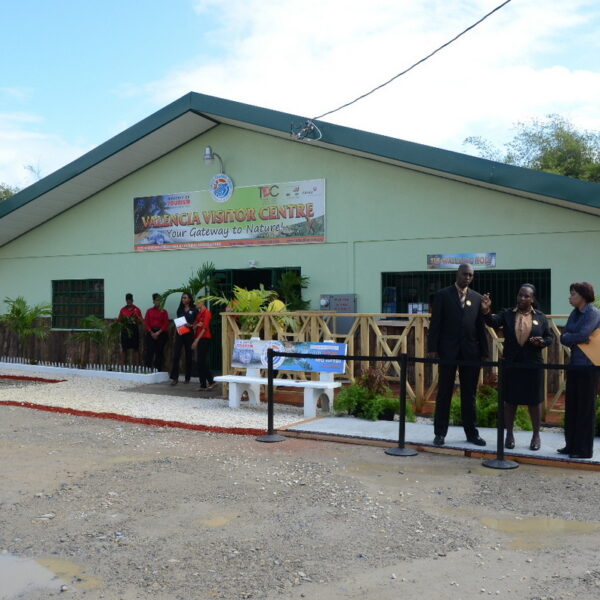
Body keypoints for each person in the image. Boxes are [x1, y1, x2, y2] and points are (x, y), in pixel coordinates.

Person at [481, 284, 553, 451]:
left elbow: (549, 337)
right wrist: (486, 310)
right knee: (510, 401)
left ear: (532, 299)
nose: (522, 298)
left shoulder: (541, 317)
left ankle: (536, 435)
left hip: (532, 364)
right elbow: (492, 322)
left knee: (534, 402)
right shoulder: (507, 314)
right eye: (520, 295)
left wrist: (541, 342)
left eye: (526, 296)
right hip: (511, 364)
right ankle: (509, 434)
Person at [427, 264, 489, 446]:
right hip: (448, 351)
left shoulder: (477, 298)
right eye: (464, 274)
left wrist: (484, 352)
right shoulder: (443, 295)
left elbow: (480, 328)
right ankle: (440, 433)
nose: (467, 278)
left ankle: (472, 433)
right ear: (457, 274)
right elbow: (435, 324)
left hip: (471, 353)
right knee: (444, 392)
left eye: (470, 275)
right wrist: (432, 348)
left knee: (469, 394)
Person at [558, 282, 600, 459]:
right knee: (572, 406)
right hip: (575, 363)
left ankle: (583, 450)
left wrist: (573, 337)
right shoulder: (574, 313)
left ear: (583, 296)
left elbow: (583, 334)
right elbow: (563, 337)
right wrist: (574, 338)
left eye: (573, 294)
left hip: (589, 365)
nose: (570, 297)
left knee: (585, 408)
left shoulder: (593, 313)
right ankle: (570, 445)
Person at [169, 292, 198, 386]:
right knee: (176, 355)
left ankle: (187, 377)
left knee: (189, 355)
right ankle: (174, 378)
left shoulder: (194, 309)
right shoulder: (180, 309)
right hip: (180, 333)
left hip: (189, 334)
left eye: (185, 298)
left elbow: (196, 322)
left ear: (190, 299)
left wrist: (190, 325)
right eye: (182, 298)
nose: (183, 300)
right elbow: (178, 321)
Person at [191, 298, 215, 390]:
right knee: (200, 362)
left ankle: (211, 381)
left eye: (197, 302)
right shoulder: (199, 314)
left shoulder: (207, 313)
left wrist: (196, 340)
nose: (195, 304)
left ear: (202, 302)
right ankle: (203, 384)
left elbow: (205, 328)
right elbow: (194, 325)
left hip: (205, 339)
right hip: (199, 338)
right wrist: (196, 325)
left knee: (202, 361)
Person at [144, 293, 169, 371]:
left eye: (160, 300)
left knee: (159, 351)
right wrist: (151, 332)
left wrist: (158, 332)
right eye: (157, 300)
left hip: (161, 333)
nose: (159, 302)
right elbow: (146, 323)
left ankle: (158, 369)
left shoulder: (164, 311)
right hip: (151, 332)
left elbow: (165, 323)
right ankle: (147, 369)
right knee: (150, 351)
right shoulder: (149, 311)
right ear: (153, 301)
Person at [118, 293, 143, 365]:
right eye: (127, 300)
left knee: (136, 349)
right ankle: (122, 367)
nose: (129, 302)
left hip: (134, 329)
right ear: (126, 301)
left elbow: (140, 321)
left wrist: (137, 317)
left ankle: (137, 367)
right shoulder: (123, 310)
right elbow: (119, 320)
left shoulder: (137, 309)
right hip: (125, 330)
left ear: (132, 300)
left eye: (130, 300)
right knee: (124, 349)